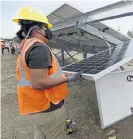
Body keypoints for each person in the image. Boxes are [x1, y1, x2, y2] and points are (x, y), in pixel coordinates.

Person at [13, 6, 84, 139]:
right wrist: (68, 78)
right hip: (47, 107)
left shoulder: (26, 46)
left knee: (40, 135)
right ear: (37, 29)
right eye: (45, 27)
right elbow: (39, 83)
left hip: (35, 107)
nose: (48, 30)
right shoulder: (39, 48)